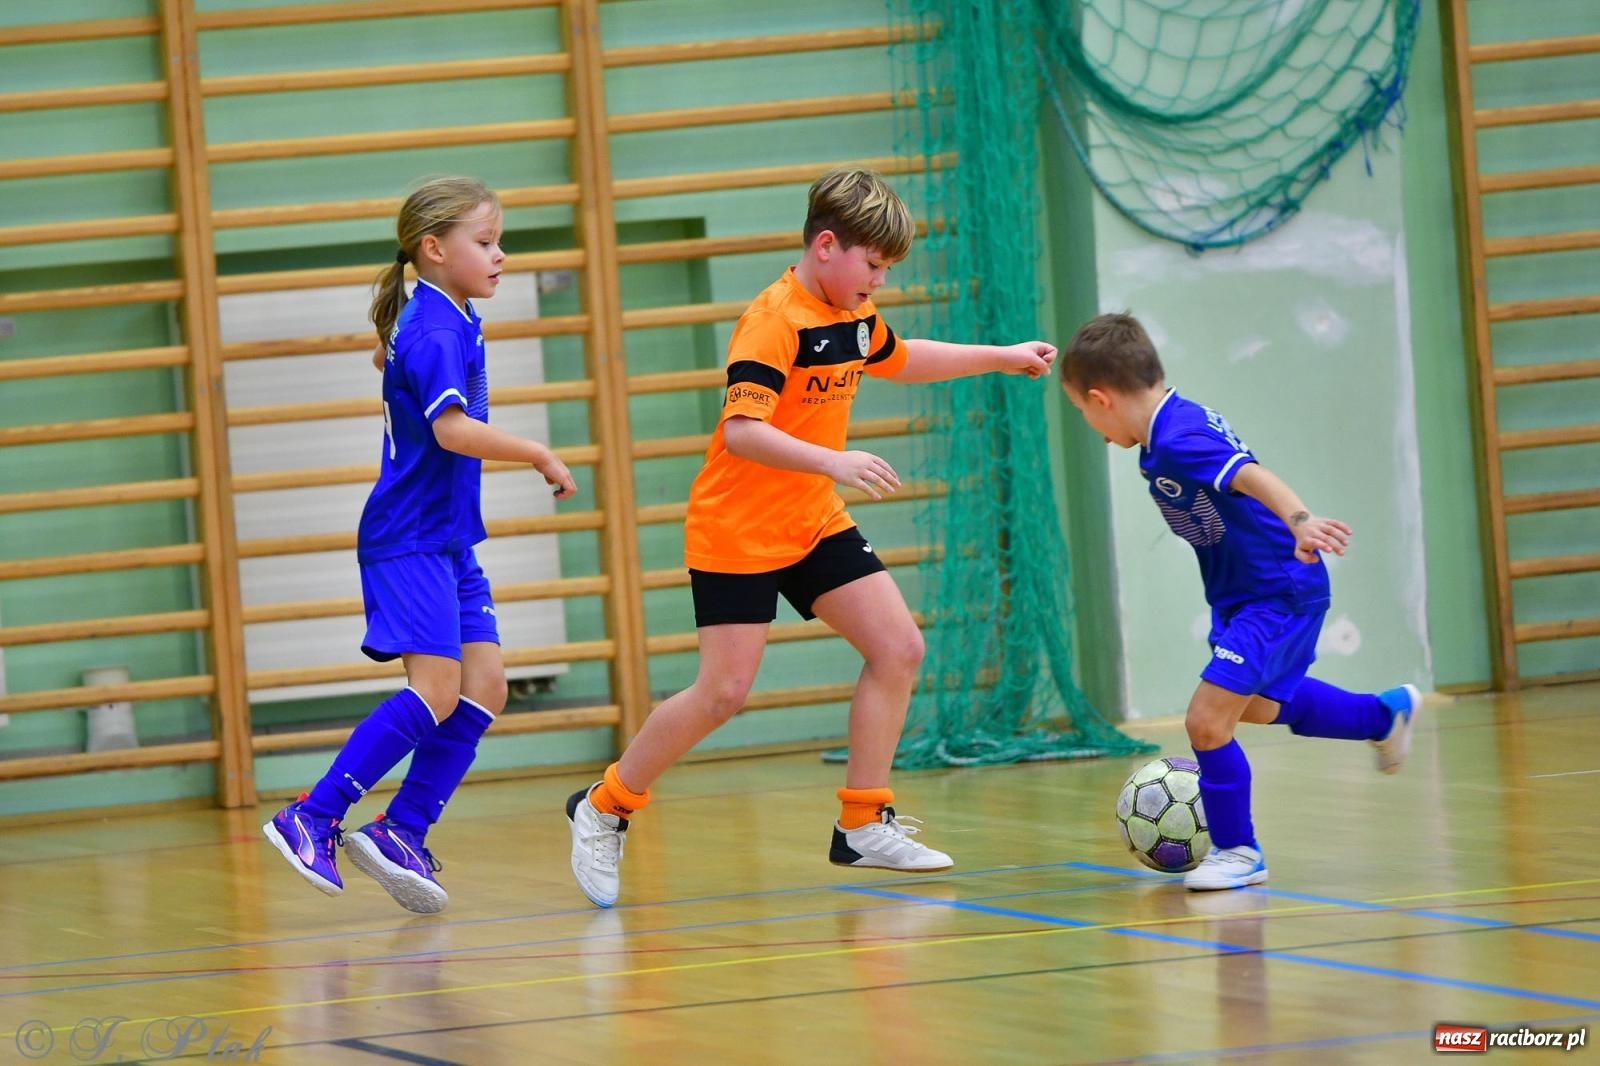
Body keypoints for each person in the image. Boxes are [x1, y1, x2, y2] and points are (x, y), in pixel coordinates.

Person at [564, 167, 1057, 908]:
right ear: (827, 246)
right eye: (874, 266)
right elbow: (742, 432)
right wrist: (835, 459)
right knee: (723, 692)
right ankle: (603, 807)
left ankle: (862, 822)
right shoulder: (774, 320)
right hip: (737, 527)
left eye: (887, 271)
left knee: (898, 647)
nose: (879, 284)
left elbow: (902, 357)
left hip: (812, 518)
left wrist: (1002, 355)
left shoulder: (853, 314)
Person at [262, 177, 576, 913]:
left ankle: (402, 828)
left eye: (499, 241)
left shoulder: (442, 316)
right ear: (434, 250)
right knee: (435, 691)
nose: (502, 255)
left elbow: (389, 362)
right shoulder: (435, 327)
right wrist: (535, 450)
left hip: (446, 540)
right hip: (409, 539)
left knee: (485, 686)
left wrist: (393, 357)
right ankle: (313, 814)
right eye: (486, 242)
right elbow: (448, 429)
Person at [1058, 312, 1420, 892]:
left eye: (1081, 411)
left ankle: (1237, 851)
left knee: (1206, 722)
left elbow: (1253, 477)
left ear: (1100, 399)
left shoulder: (1179, 438)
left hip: (1276, 591)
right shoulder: (1167, 429)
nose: (1090, 425)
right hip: (1244, 595)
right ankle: (1383, 714)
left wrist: (1301, 521)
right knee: (1252, 707)